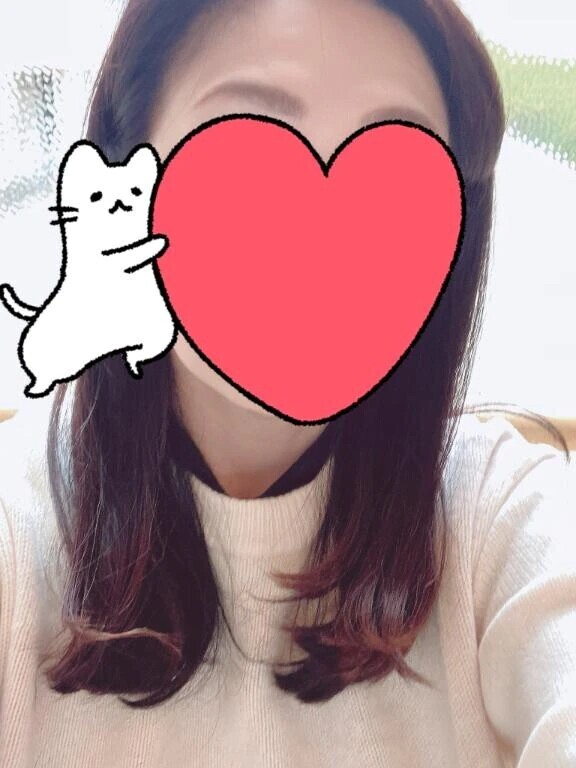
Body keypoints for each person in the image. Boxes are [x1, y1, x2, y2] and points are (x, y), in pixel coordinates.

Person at [0, 0, 574, 765]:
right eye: (247, 130)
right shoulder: (18, 530)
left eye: (393, 167)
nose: (318, 238)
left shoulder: (500, 513)